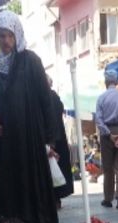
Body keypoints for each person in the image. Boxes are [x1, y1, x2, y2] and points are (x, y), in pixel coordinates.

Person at [0, 10, 58, 223]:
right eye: (1, 36)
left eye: (9, 35)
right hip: (7, 146)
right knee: (12, 191)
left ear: (17, 34)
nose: (5, 41)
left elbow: (46, 102)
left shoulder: (31, 61)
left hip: (31, 140)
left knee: (33, 187)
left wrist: (49, 140)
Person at [94, 69, 118, 210]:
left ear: (106, 82)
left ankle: (108, 199)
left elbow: (98, 119)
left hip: (107, 134)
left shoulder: (101, 98)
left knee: (108, 167)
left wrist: (109, 134)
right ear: (116, 82)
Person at [48, 76, 74, 208]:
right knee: (57, 169)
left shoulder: (47, 97)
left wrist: (50, 143)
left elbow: (50, 120)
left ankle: (54, 199)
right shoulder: (55, 97)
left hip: (52, 139)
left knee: (53, 169)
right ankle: (57, 199)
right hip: (59, 138)